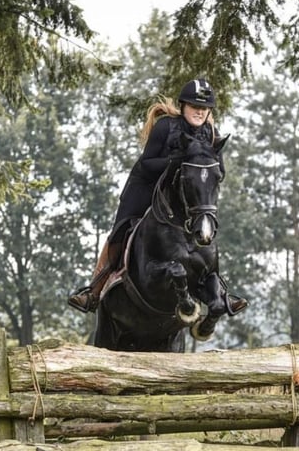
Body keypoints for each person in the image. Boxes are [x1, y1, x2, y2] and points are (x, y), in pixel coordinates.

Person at [67, 78, 248, 316]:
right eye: (195, 106)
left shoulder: (210, 132)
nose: (199, 112)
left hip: (183, 195)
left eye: (204, 108)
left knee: (203, 229)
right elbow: (146, 164)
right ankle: (94, 289)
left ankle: (220, 291)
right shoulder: (166, 126)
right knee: (121, 230)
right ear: (183, 106)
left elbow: (219, 171)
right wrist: (176, 162)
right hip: (146, 185)